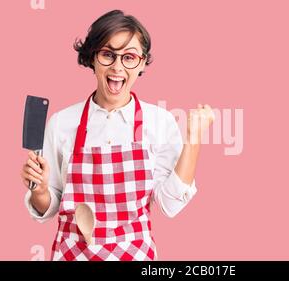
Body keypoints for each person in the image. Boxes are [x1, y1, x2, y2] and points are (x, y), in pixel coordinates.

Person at [20, 10, 214, 261]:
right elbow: (49, 205)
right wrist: (40, 190)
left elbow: (169, 205)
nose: (117, 67)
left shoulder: (160, 122)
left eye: (129, 57)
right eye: (108, 54)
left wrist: (194, 140)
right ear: (92, 58)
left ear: (142, 62)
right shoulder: (61, 123)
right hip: (72, 255)